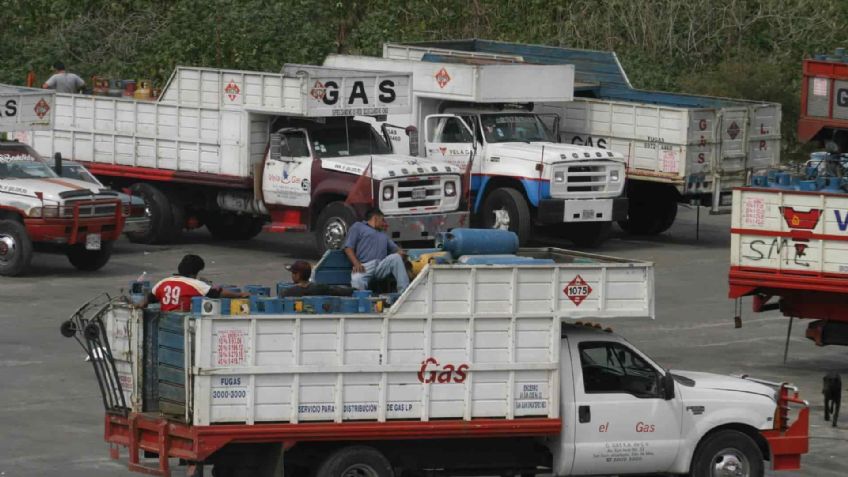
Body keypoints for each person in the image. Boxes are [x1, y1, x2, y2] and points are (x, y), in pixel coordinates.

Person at [142, 254, 248, 312]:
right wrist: (240, 294)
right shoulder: (195, 284)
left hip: (165, 321)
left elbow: (148, 299)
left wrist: (139, 305)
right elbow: (217, 293)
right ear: (196, 272)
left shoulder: (163, 282)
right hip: (184, 323)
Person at [344, 209, 409, 293]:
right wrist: (356, 263)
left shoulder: (383, 234)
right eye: (382, 220)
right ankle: (362, 299)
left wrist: (402, 253)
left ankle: (404, 292)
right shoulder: (358, 226)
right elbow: (348, 247)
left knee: (396, 257)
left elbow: (396, 249)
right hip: (365, 266)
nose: (383, 223)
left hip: (380, 266)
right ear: (375, 218)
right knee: (357, 279)